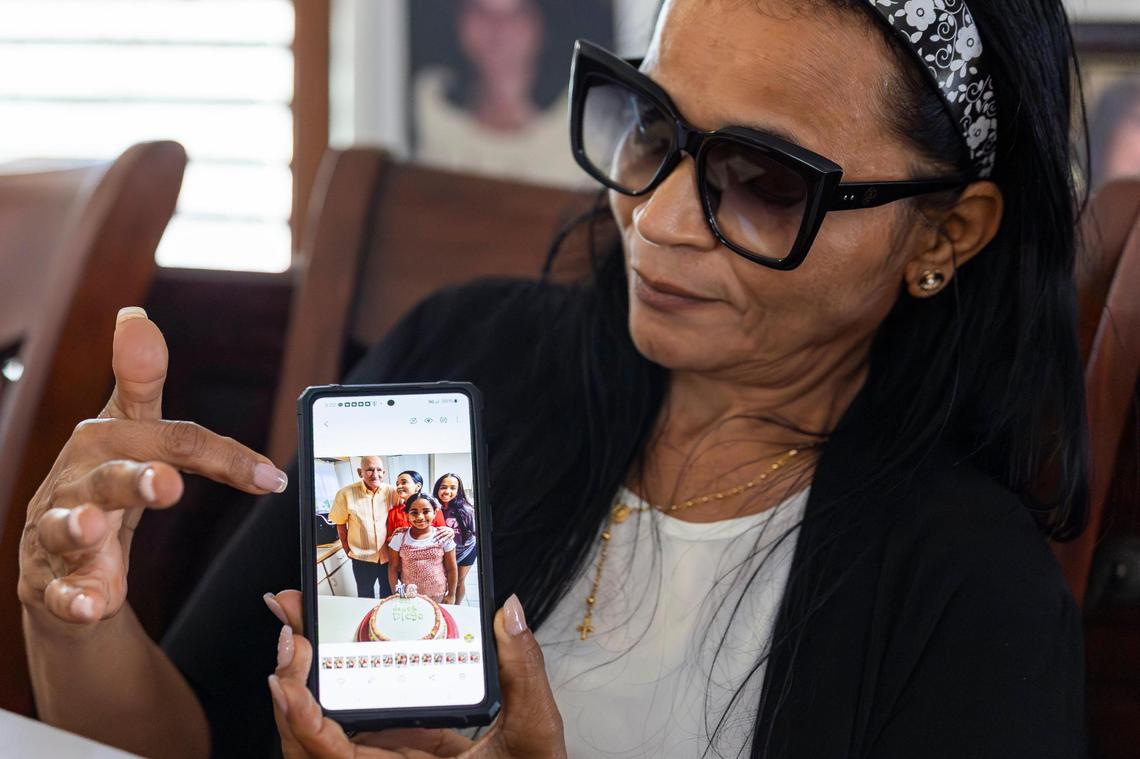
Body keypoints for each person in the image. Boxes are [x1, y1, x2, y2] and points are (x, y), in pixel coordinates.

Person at [18, 0, 1090, 757]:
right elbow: (189, 738)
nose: (657, 221)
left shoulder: (973, 594)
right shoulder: (463, 354)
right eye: (653, 126)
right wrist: (80, 616)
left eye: (762, 183)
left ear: (943, 233)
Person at [326, 456, 400, 599]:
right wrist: (347, 549)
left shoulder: (393, 492)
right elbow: (340, 524)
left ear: (384, 472)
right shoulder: (345, 494)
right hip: (361, 558)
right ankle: (367, 620)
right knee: (365, 595)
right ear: (360, 472)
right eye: (370, 470)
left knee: (389, 594)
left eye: (379, 470)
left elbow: (410, 509)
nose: (375, 474)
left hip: (388, 557)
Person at [387, 494, 459, 604]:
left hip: (437, 592)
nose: (420, 517)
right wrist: (396, 592)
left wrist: (451, 594)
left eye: (426, 511)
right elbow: (393, 568)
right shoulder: (400, 537)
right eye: (414, 512)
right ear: (407, 514)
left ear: (435, 512)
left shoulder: (443, 536)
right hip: (409, 593)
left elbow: (451, 569)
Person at [434, 472, 477, 604]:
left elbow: (476, 534)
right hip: (444, 553)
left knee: (458, 581)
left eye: (453, 488)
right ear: (437, 489)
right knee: (446, 580)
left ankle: (457, 607)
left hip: (465, 551)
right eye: (443, 487)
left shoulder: (467, 510)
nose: (447, 491)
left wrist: (452, 531)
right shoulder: (434, 507)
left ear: (458, 490)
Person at [385, 469, 448, 535]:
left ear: (418, 486)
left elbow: (443, 535)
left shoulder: (433, 509)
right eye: (397, 484)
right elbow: (389, 538)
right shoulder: (393, 513)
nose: (399, 487)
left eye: (404, 482)